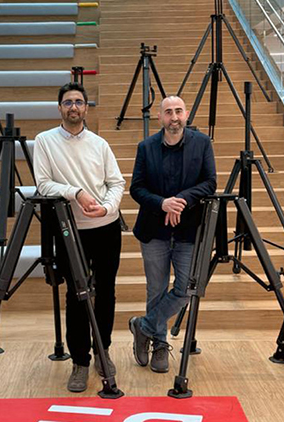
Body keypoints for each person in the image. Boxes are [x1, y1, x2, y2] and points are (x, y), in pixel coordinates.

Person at [33, 82, 126, 392]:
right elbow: (43, 184)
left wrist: (108, 206)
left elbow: (116, 182)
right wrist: (76, 192)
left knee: (107, 292)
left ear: (86, 108)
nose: (73, 107)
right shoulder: (45, 141)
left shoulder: (99, 144)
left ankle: (102, 351)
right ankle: (80, 361)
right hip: (70, 230)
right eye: (68, 102)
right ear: (60, 108)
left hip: (107, 226)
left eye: (78, 102)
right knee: (76, 295)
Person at [128, 96, 217, 373]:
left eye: (178, 111)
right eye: (168, 112)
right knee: (156, 289)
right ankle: (159, 344)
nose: (174, 117)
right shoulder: (146, 147)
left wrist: (181, 200)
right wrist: (162, 203)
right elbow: (136, 188)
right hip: (154, 230)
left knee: (186, 288)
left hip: (189, 231)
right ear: (160, 117)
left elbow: (210, 182)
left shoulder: (202, 143)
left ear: (186, 114)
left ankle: (143, 326)